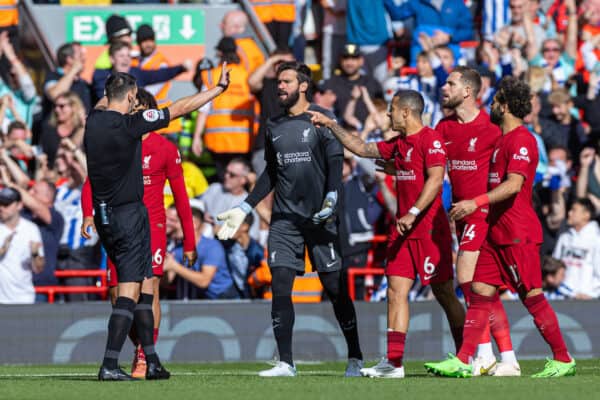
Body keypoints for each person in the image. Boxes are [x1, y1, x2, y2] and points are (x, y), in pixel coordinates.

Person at [84, 62, 230, 381]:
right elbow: (177, 108)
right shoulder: (131, 126)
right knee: (134, 294)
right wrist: (216, 90)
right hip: (130, 218)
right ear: (133, 96)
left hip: (105, 217)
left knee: (141, 292)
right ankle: (111, 363)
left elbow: (104, 103)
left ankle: (150, 361)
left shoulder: (92, 123)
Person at [217, 61, 363, 377]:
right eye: (278, 82)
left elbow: (335, 164)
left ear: (302, 86)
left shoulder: (322, 120)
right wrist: (245, 207)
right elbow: (271, 172)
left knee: (335, 289)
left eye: (285, 81)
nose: (279, 87)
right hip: (285, 220)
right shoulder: (273, 125)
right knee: (280, 284)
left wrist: (332, 198)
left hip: (321, 219)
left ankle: (355, 357)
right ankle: (286, 362)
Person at [425, 76, 576, 378]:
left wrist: (475, 202)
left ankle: (563, 358)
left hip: (517, 232)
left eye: (495, 101)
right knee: (479, 292)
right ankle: (465, 358)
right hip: (496, 232)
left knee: (532, 296)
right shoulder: (502, 141)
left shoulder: (522, 139)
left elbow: (514, 185)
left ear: (505, 106)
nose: (490, 105)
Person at [308, 89, 465, 378]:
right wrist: (331, 125)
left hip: (429, 230)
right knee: (395, 292)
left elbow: (435, 181)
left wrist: (413, 212)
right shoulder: (399, 144)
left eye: (391, 110)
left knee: (444, 293)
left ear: (406, 112)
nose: (388, 115)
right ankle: (394, 363)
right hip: (403, 232)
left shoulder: (430, 139)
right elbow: (362, 148)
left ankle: (465, 354)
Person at [80, 88, 196, 378]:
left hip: (152, 227)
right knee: (118, 294)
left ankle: (144, 357)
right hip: (119, 225)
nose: (135, 113)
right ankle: (140, 352)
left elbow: (181, 198)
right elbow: (90, 182)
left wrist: (189, 241)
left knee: (149, 290)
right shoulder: (118, 141)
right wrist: (87, 214)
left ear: (150, 113)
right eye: (133, 107)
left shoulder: (165, 148)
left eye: (141, 109)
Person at [436, 66, 518, 376]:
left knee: (468, 279)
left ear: (468, 92)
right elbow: (427, 162)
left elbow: (510, 175)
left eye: (451, 83)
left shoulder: (493, 128)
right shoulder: (444, 128)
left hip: (483, 215)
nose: (445, 87)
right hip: (460, 216)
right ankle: (508, 359)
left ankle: (483, 354)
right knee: (483, 290)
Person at [164, 201, 237, 300]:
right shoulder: (178, 249)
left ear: (193, 224)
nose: (173, 226)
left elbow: (204, 281)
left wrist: (174, 267)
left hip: (226, 298)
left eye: (177, 222)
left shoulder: (211, 247)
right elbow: (167, 281)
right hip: (205, 300)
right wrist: (163, 269)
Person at [0, 187, 45, 304]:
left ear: (19, 205)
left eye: (6, 204)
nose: (1, 208)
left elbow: (38, 268)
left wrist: (34, 253)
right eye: (0, 204)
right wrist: (3, 249)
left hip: (24, 298)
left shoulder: (31, 229)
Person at [552, 198, 600, 299]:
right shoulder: (564, 238)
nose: (569, 213)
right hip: (562, 297)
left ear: (586, 215)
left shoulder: (596, 240)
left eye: (574, 210)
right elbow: (554, 268)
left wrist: (592, 295)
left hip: (587, 300)